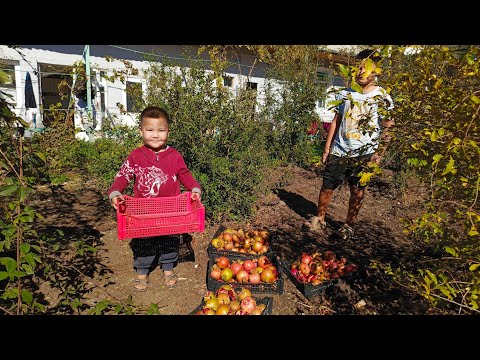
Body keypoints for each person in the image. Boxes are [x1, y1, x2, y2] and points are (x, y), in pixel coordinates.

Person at [107, 106, 202, 291]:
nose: (155, 135)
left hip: (170, 208)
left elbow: (185, 174)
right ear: (141, 131)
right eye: (150, 130)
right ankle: (142, 272)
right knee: (144, 241)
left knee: (169, 239)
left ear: (168, 131)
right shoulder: (136, 156)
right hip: (144, 211)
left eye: (161, 130)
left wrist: (195, 188)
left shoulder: (174, 156)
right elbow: (123, 175)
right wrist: (115, 192)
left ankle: (168, 269)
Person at [305, 49, 394, 239]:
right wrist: (327, 148)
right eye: (358, 67)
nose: (361, 71)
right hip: (339, 150)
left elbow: (389, 127)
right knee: (327, 185)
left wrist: (379, 154)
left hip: (364, 154)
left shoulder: (382, 97)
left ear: (376, 70)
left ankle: (348, 225)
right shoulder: (346, 94)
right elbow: (336, 121)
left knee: (357, 189)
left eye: (366, 68)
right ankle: (319, 218)